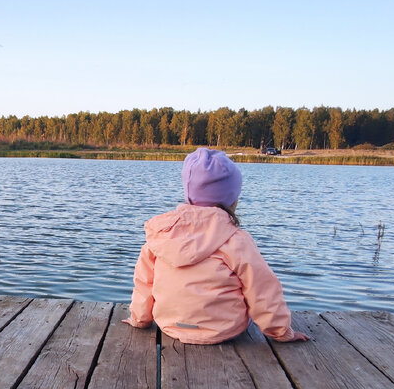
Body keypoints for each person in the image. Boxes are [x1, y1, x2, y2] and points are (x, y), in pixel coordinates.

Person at [124, 147, 309, 344]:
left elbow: (144, 282)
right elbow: (262, 290)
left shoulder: (162, 234)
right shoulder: (237, 240)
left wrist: (139, 319)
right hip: (224, 330)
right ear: (232, 198)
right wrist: (280, 331)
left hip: (169, 325)